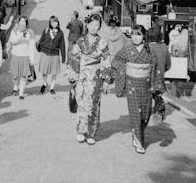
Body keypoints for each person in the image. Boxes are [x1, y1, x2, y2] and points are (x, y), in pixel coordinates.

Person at [112, 24, 164, 154]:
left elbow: (155, 68)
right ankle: (140, 143)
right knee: (136, 113)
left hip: (145, 85)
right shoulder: (127, 49)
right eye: (133, 34)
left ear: (144, 36)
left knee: (145, 115)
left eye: (138, 34)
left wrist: (156, 87)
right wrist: (124, 69)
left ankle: (136, 132)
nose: (135, 37)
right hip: (132, 84)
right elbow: (116, 60)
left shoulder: (150, 52)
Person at [67, 13, 112, 145]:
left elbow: (106, 60)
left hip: (96, 76)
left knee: (93, 104)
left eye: (96, 25)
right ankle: (80, 131)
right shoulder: (80, 41)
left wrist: (106, 79)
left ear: (99, 27)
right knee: (80, 102)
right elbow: (74, 58)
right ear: (87, 24)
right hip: (81, 75)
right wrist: (73, 76)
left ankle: (91, 132)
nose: (93, 27)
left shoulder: (102, 42)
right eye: (91, 24)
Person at [6, 16, 36, 99]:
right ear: (18, 22)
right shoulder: (14, 31)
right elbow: (13, 41)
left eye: (24, 22)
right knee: (14, 75)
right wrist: (20, 35)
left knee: (23, 76)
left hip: (25, 56)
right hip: (15, 55)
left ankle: (21, 93)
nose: (23, 23)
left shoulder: (30, 32)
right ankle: (15, 86)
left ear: (26, 23)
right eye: (21, 21)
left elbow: (31, 46)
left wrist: (32, 59)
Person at [36, 15, 66, 94]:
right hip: (45, 54)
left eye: (56, 22)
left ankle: (52, 88)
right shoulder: (46, 30)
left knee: (54, 72)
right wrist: (43, 49)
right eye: (53, 22)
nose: (54, 23)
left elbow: (62, 45)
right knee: (44, 72)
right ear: (50, 23)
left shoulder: (60, 33)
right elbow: (41, 41)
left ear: (58, 22)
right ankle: (45, 83)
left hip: (55, 55)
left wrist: (63, 58)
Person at [147, 24, 170, 121]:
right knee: (157, 93)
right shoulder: (164, 47)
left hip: (147, 77)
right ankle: (158, 109)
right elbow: (169, 65)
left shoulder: (146, 47)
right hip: (160, 76)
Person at [99, 15, 127, 95]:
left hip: (110, 55)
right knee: (120, 73)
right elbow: (125, 44)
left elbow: (104, 44)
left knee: (108, 73)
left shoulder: (107, 33)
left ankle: (105, 88)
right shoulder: (121, 33)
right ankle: (120, 89)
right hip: (119, 56)